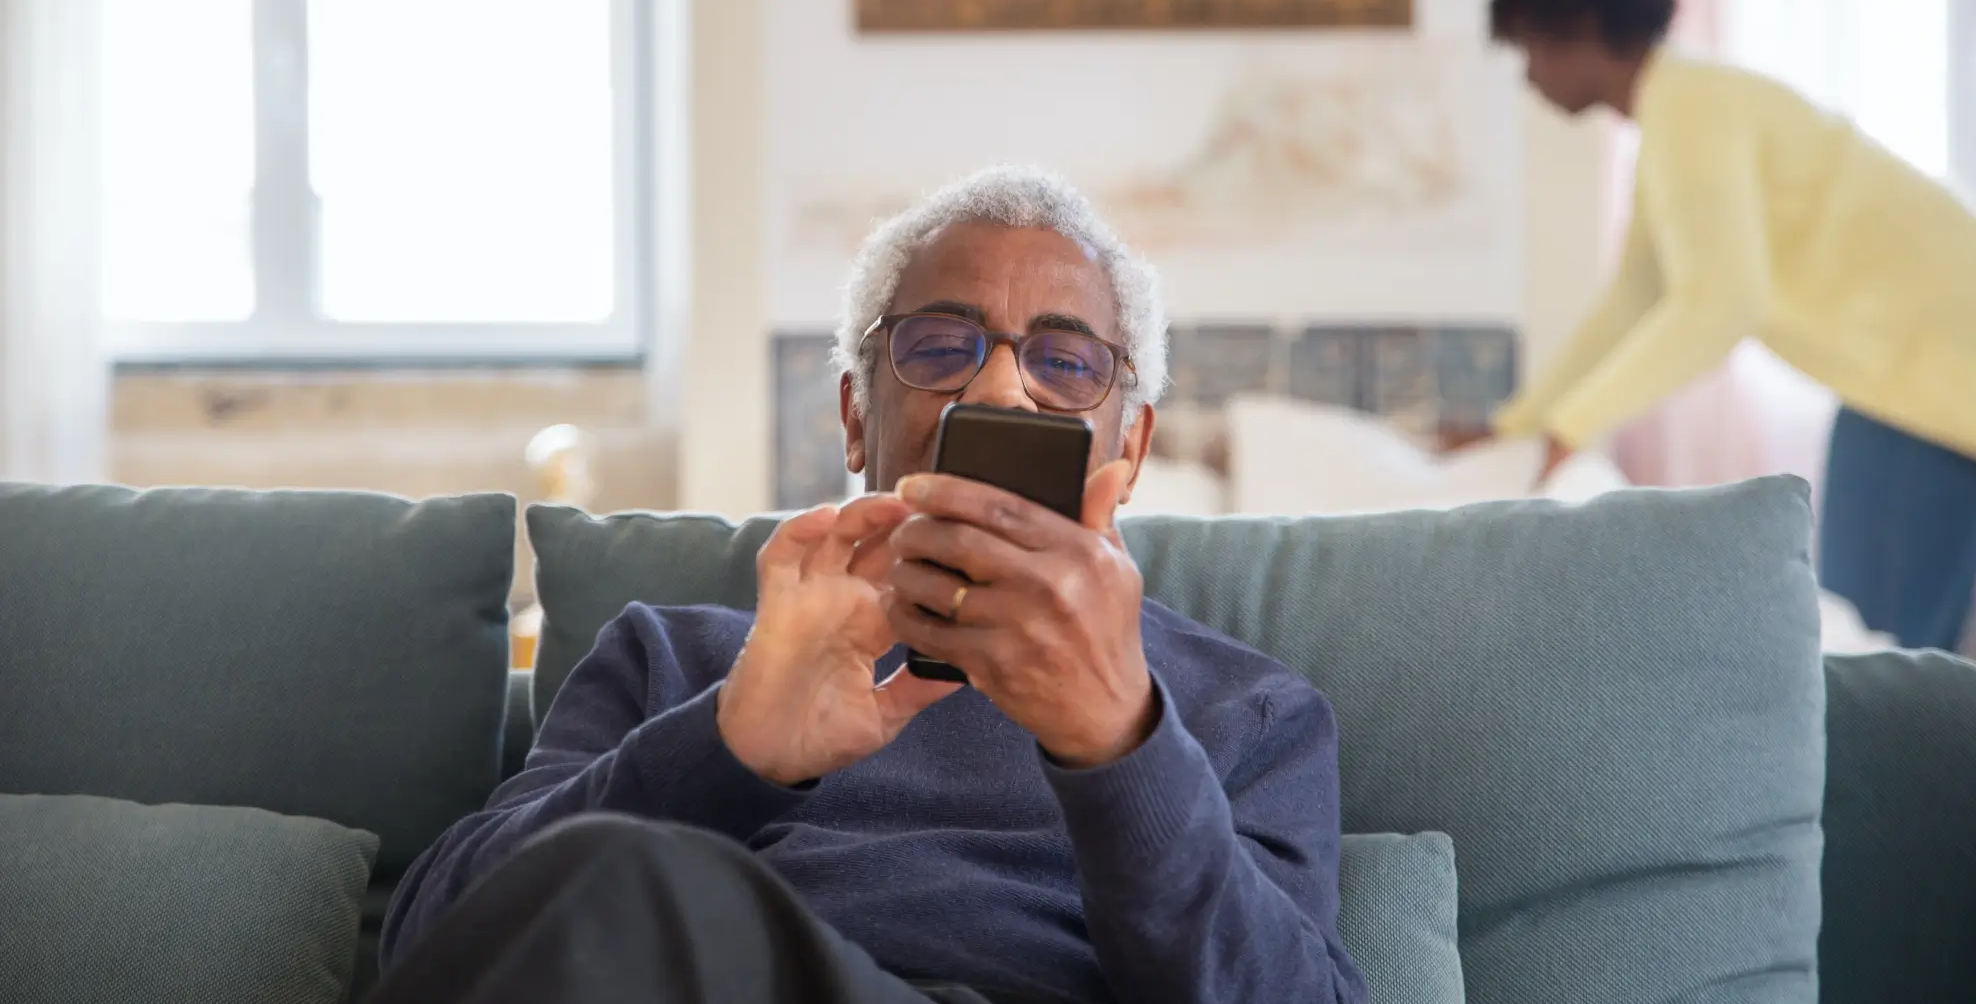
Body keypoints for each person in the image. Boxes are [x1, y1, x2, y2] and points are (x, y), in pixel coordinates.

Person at [371, 166, 1366, 1004]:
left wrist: (1118, 746)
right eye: (940, 348)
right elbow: (438, 944)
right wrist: (727, 748)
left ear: (1130, 444)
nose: (997, 389)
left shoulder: (1247, 709)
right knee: (623, 875)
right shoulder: (678, 659)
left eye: (1063, 361)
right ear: (854, 415)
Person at [1470, 0, 1976, 653]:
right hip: (1917, 373)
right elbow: (1635, 300)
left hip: (1932, 375)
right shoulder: (1683, 108)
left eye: (1530, 46)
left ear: (1583, 26)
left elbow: (1721, 304)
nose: (1528, 75)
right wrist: (1523, 425)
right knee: (1874, 656)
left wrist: (1570, 428)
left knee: (1879, 662)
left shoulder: (1692, 113)